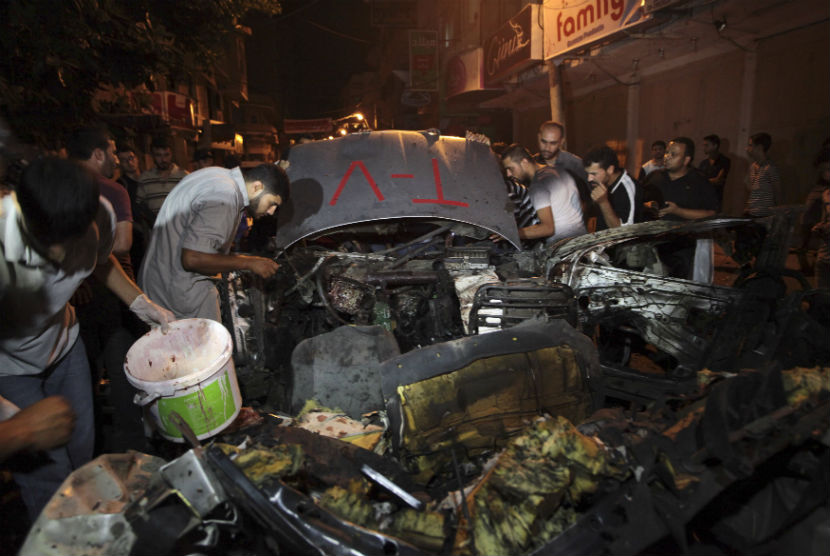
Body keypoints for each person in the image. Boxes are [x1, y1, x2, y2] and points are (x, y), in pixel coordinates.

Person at [0, 157, 173, 519]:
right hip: (9, 371)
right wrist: (14, 426)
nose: (63, 255)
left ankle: (91, 532)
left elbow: (102, 261)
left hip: (64, 347)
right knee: (50, 477)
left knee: (82, 456)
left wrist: (143, 305)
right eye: (51, 244)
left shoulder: (99, 214)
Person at [139, 163, 289, 322]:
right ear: (257, 187)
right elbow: (192, 259)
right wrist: (250, 263)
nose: (271, 211)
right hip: (175, 299)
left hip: (159, 283)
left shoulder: (219, 176)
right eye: (272, 203)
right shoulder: (225, 196)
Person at [643, 137, 719, 281]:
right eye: (667, 153)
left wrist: (678, 211)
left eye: (674, 155)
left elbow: (711, 214)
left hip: (683, 248)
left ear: (686, 160)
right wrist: (648, 205)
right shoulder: (655, 177)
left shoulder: (699, 182)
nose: (667, 157)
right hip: (653, 246)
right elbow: (639, 200)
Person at [501, 144, 586, 244]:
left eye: (511, 168)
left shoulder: (538, 185)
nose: (508, 174)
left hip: (562, 246)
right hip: (578, 240)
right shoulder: (558, 171)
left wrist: (510, 233)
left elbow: (547, 228)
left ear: (524, 162)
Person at [534, 121, 590, 209]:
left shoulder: (575, 164)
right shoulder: (532, 164)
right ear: (538, 137)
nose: (547, 148)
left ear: (561, 142)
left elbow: (591, 199)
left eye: (553, 143)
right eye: (544, 142)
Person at [583, 146, 640, 231]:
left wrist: (603, 203)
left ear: (610, 169)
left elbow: (625, 233)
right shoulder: (603, 182)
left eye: (594, 174)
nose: (589, 179)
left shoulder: (627, 188)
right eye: (588, 174)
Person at [136, 135, 188, 222]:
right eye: (158, 155)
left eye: (166, 155)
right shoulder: (145, 178)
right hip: (154, 229)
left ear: (172, 154)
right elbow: (140, 205)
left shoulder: (184, 177)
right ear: (153, 156)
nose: (163, 159)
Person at [744, 132, 779, 217]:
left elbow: (777, 191)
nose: (746, 149)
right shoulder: (752, 167)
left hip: (764, 215)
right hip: (751, 213)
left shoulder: (770, 168)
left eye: (750, 145)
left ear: (759, 148)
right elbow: (753, 192)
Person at [698, 134, 731, 207]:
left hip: (716, 199)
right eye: (704, 145)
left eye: (706, 145)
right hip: (702, 199)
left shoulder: (724, 161)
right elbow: (698, 180)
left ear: (715, 146)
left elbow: (718, 180)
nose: (704, 148)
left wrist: (704, 181)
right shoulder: (704, 163)